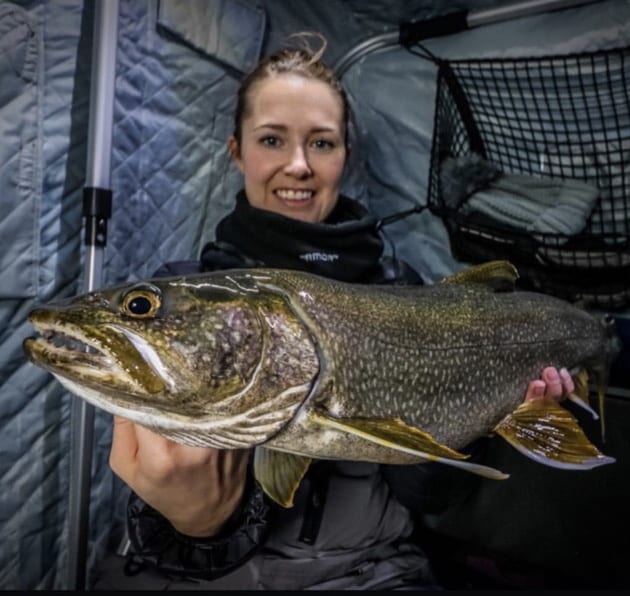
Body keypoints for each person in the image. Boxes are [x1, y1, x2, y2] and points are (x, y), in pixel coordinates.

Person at [92, 33, 575, 591]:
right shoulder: (180, 296)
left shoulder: (400, 288)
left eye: (321, 143)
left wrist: (495, 409)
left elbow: (435, 497)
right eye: (272, 139)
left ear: (346, 153)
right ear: (237, 151)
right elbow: (157, 496)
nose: (297, 165)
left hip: (373, 571)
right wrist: (195, 523)